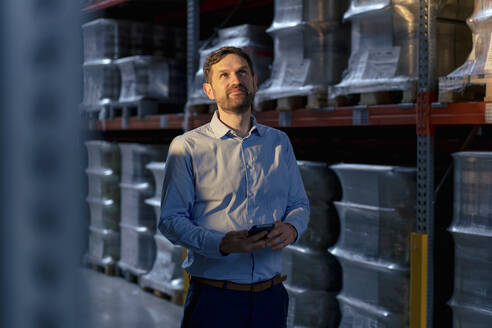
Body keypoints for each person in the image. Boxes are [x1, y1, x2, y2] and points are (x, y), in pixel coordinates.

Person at [159, 46, 309, 328]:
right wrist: (222, 244)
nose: (235, 80)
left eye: (242, 73)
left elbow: (299, 204)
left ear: (254, 82)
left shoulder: (279, 143)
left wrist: (292, 228)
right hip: (215, 300)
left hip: (271, 299)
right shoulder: (188, 147)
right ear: (209, 91)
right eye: (224, 75)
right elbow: (170, 221)